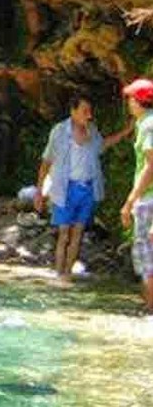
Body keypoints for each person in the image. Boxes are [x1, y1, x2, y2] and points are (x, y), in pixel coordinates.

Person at [35, 93, 130, 284]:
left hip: (87, 188)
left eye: (89, 111)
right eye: (84, 111)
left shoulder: (92, 130)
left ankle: (67, 274)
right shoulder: (59, 131)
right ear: (73, 111)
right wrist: (39, 191)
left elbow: (103, 145)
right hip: (64, 187)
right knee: (63, 233)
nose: (89, 115)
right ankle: (58, 273)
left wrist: (126, 131)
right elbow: (47, 161)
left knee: (77, 232)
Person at [121, 78, 153, 314]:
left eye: (131, 98)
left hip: (148, 200)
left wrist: (131, 200)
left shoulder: (148, 125)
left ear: (140, 101)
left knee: (145, 257)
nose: (129, 103)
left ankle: (150, 308)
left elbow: (150, 166)